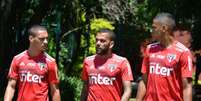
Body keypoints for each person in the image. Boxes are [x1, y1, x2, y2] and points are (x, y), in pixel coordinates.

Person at [136, 13, 193, 101]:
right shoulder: (150, 49)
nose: (151, 30)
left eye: (154, 27)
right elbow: (144, 81)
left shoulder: (183, 52)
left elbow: (187, 87)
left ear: (164, 28)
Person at [4, 25, 61, 101]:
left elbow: (55, 91)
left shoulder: (50, 62)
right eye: (42, 39)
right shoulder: (17, 59)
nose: (46, 42)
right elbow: (11, 86)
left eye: (47, 38)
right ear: (31, 38)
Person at [80, 29, 133, 101]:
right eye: (97, 40)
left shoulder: (122, 62)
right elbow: (85, 88)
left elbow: (128, 90)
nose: (98, 43)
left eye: (102, 41)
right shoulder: (88, 61)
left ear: (111, 44)